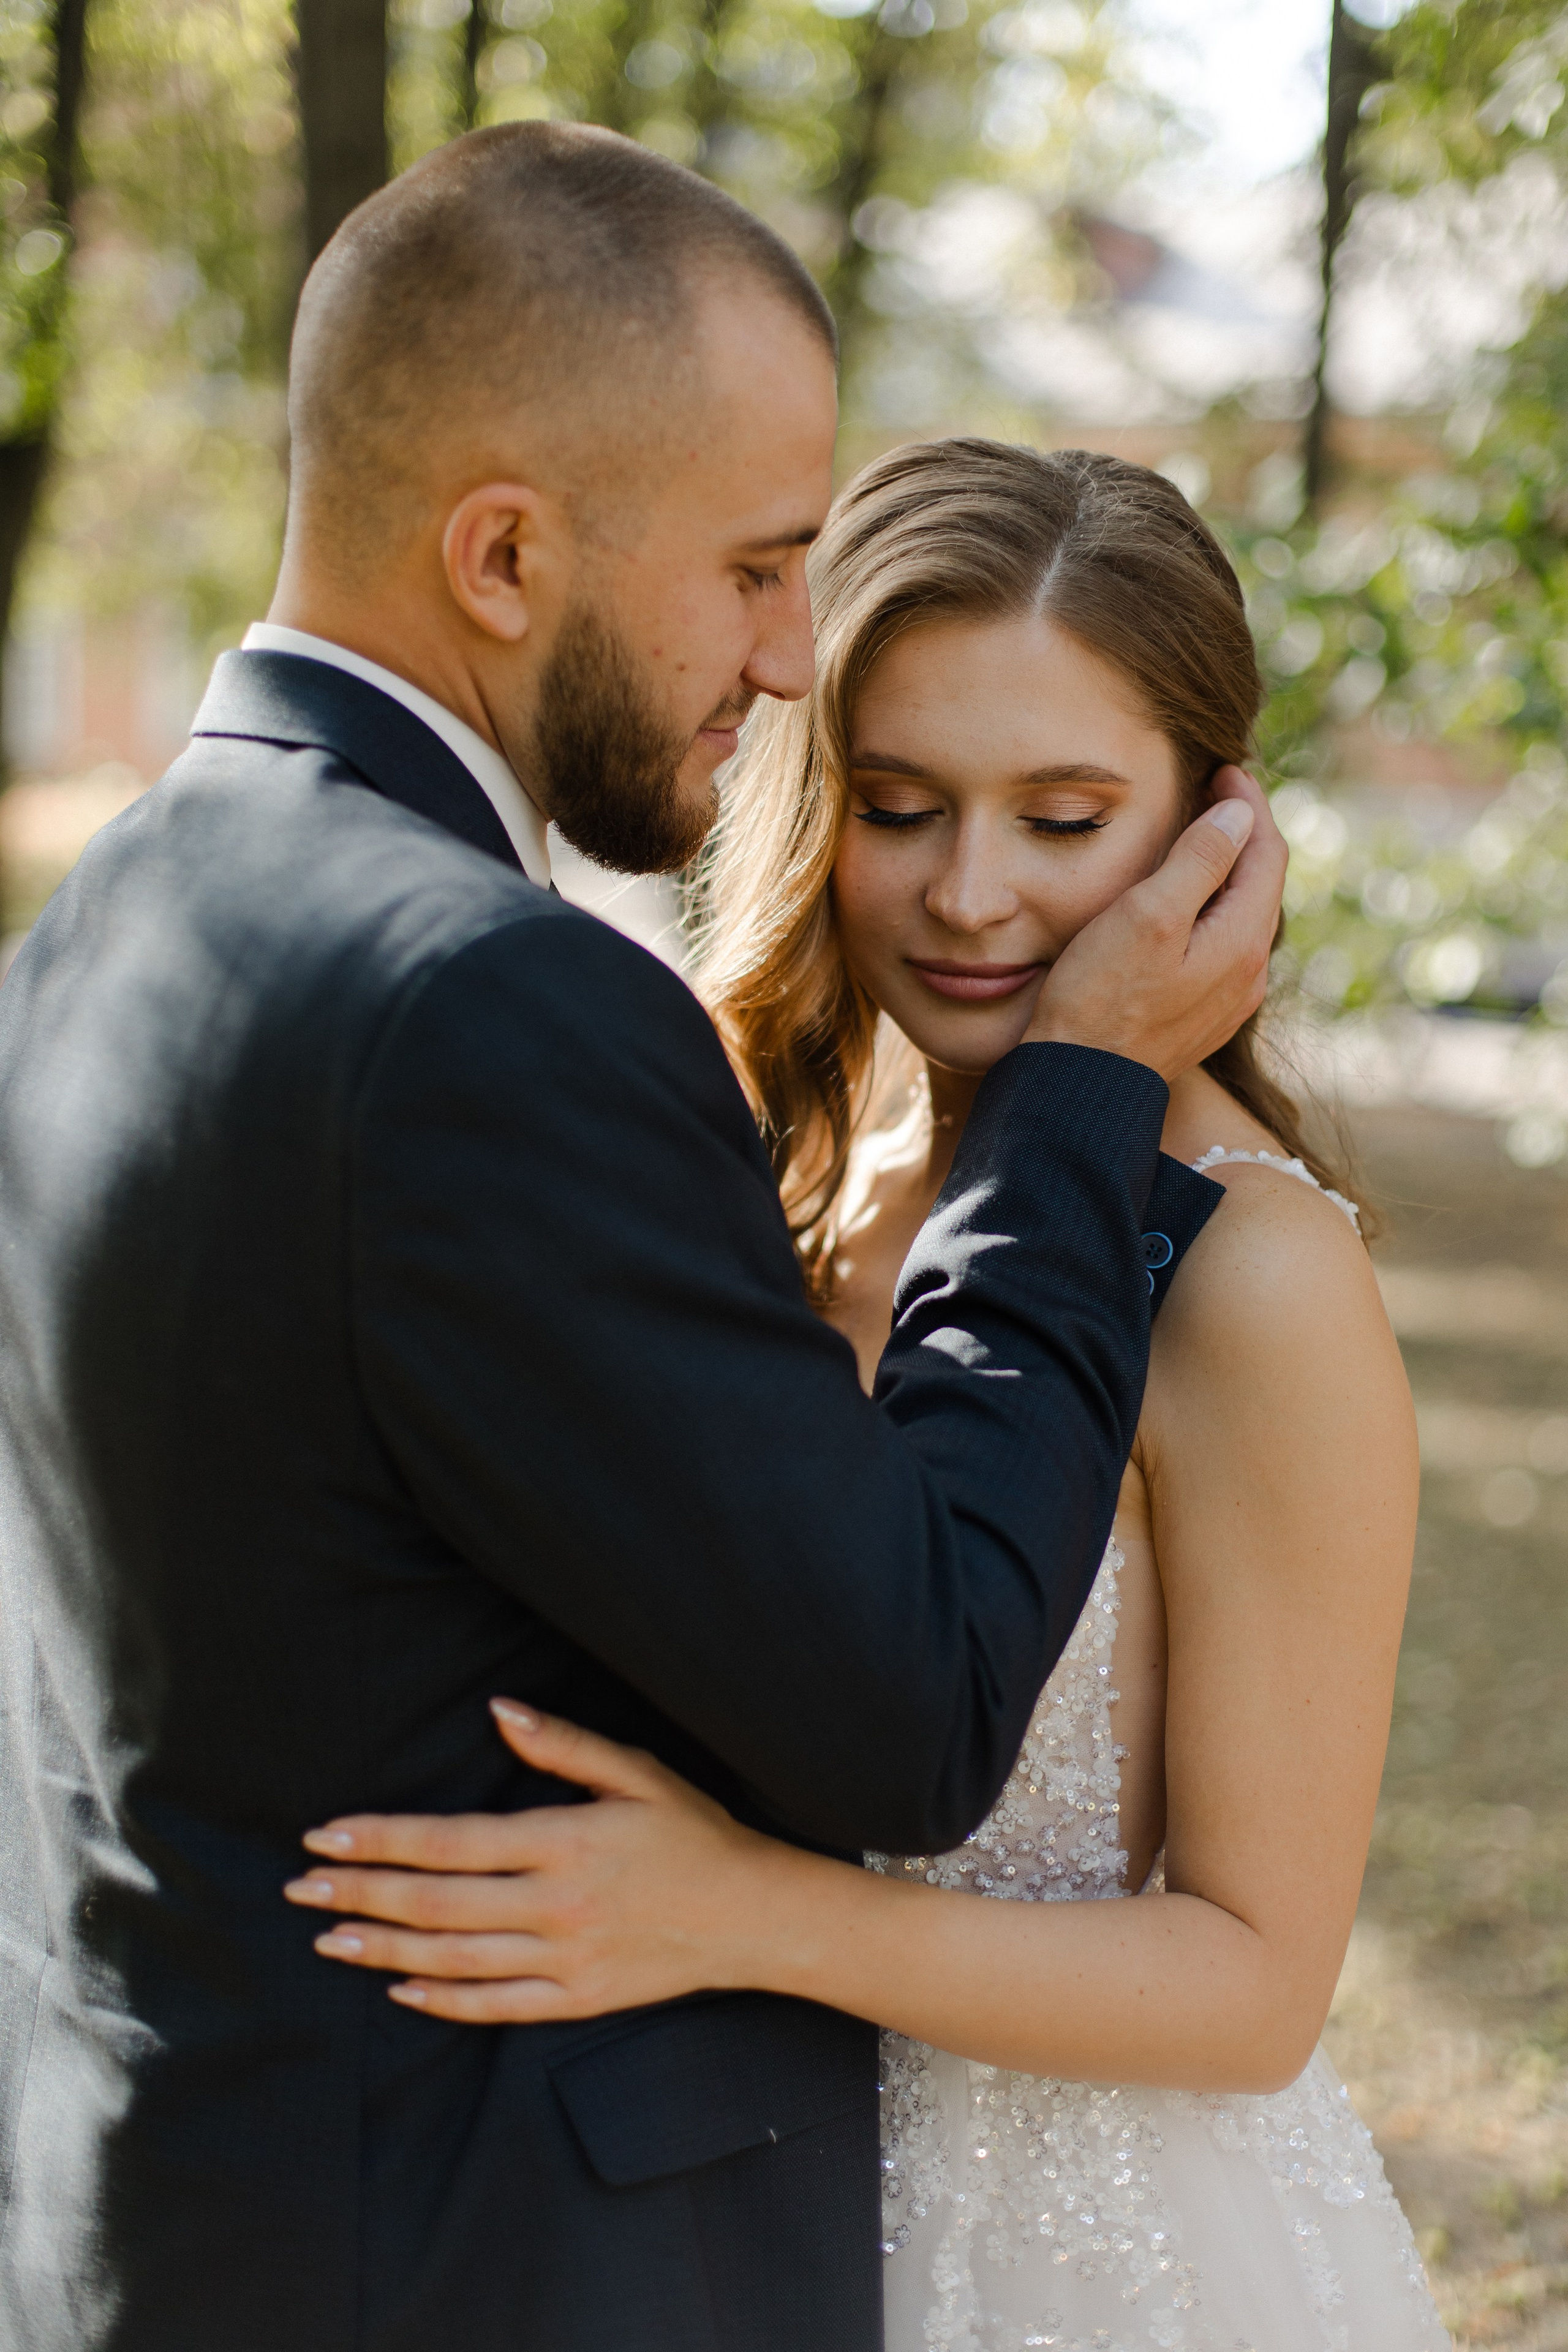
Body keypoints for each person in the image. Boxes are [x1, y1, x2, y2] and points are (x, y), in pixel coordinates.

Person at [0, 134, 1283, 2352]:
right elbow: (910, 1701)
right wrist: (1080, 1096)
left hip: (184, 2207)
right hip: (478, 2266)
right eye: (756, 569)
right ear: (505, 554)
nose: (794, 661)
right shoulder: (494, 1003)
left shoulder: (105, 917)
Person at [289, 444, 1447, 2350]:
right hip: (720, 2203)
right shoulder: (784, 1174)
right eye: (902, 806)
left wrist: (734, 1914)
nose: (971, 895)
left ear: (1212, 830)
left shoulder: (1258, 1281)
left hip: (1093, 2252)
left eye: (1065, 819)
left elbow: (1258, 1986)